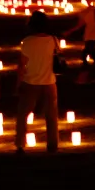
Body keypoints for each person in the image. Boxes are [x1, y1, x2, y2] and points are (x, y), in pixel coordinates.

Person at [15, 12, 60, 151]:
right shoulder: (53, 40)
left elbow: (22, 65)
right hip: (49, 82)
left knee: (23, 115)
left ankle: (20, 144)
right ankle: (52, 144)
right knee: (51, 116)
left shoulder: (27, 42)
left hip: (30, 82)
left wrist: (18, 84)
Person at [65, 0, 95, 83]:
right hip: (88, 36)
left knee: (85, 55)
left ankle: (85, 76)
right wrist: (69, 31)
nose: (89, 1)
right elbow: (80, 25)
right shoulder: (84, 12)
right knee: (94, 56)